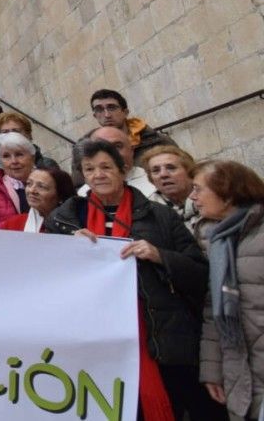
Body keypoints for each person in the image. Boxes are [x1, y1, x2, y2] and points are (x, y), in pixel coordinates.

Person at [51, 137, 210, 421]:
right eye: (89, 169)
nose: (98, 175)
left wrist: (159, 255)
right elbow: (45, 278)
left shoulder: (159, 216)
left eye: (105, 167)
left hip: (163, 338)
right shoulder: (65, 220)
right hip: (99, 341)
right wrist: (66, 249)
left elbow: (198, 273)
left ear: (122, 170)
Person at [194, 160, 264, 419]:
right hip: (243, 370)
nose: (193, 197)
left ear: (228, 193)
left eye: (199, 189)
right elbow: (214, 308)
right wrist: (212, 371)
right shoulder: (219, 240)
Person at [90, 88, 176, 162]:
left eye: (112, 108)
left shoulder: (158, 141)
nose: (107, 115)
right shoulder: (90, 150)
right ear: (95, 116)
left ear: (125, 112)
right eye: (99, 109)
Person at [77, 125, 160, 199]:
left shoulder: (157, 183)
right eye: (100, 147)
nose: (110, 154)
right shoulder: (82, 195)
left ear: (131, 150)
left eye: (117, 146)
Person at [143, 145, 206, 236]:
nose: (163, 174)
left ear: (190, 172)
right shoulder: (147, 212)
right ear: (151, 180)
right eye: (156, 170)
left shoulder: (213, 199)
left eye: (171, 168)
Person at [0, 167, 74, 233]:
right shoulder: (14, 224)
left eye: (41, 186)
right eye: (29, 184)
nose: (32, 191)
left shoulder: (72, 226)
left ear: (60, 196)